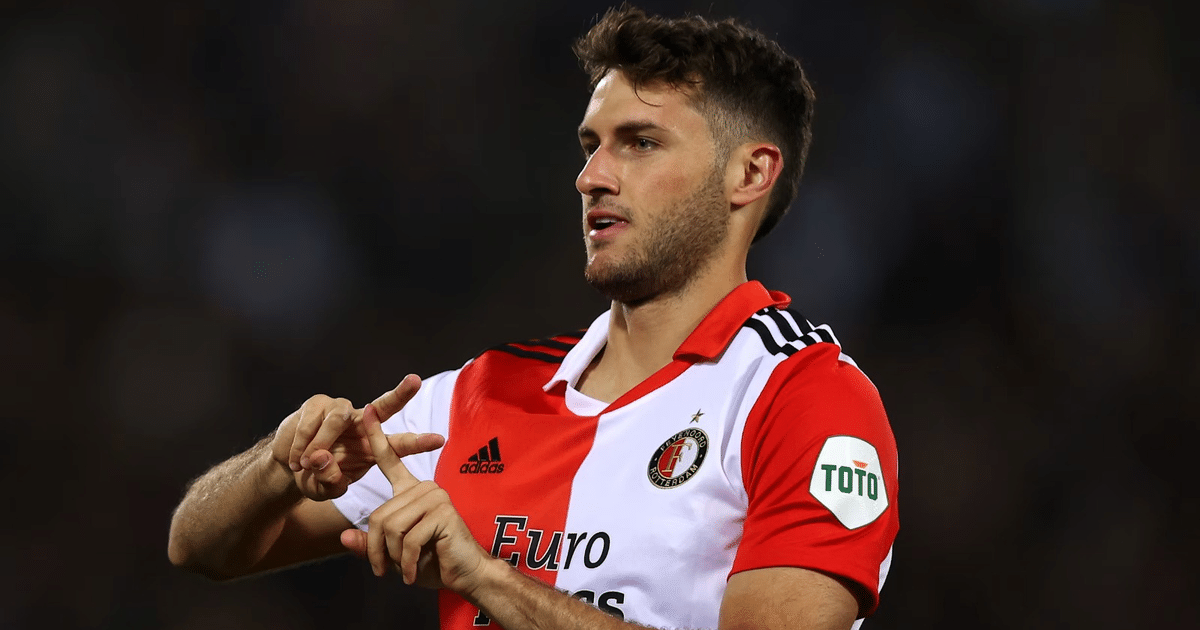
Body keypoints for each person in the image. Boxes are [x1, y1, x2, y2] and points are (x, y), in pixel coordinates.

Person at [168, 5, 899, 630]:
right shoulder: (477, 394)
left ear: (750, 174)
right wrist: (276, 466)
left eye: (640, 143)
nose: (593, 177)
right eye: (591, 146)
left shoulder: (806, 399)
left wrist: (487, 579)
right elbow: (201, 547)